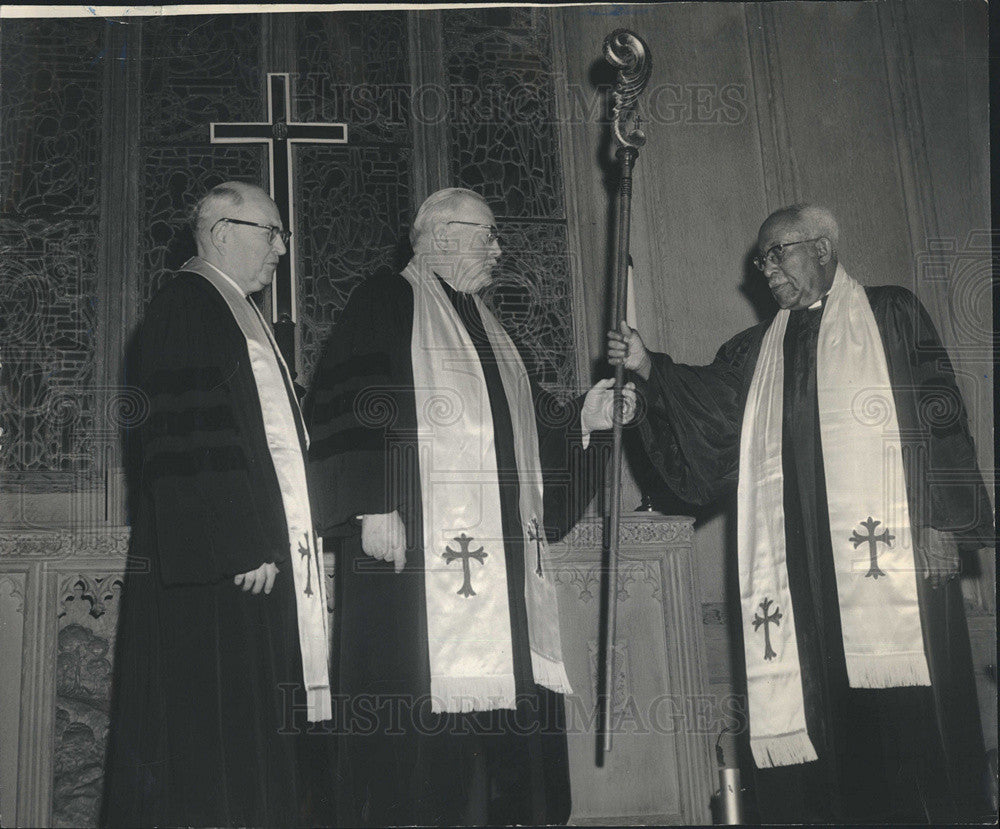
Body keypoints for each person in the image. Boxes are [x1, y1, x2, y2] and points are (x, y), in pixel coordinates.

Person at [608, 204, 993, 823]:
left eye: (776, 253)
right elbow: (712, 421)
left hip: (891, 560)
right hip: (799, 570)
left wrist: (942, 524)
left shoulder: (890, 314)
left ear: (821, 248)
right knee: (817, 713)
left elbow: (940, 415)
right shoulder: (757, 348)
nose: (765, 270)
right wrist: (650, 367)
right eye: (761, 260)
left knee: (908, 719)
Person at [305, 187, 634, 826]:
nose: (498, 250)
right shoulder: (384, 300)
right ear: (444, 234)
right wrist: (370, 506)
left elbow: (529, 440)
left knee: (507, 740)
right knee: (418, 730)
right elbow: (349, 404)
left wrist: (583, 424)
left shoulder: (490, 328)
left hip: (503, 578)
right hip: (415, 564)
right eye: (488, 236)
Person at [102, 182, 333, 827]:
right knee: (214, 728)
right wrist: (240, 540)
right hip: (221, 568)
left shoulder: (236, 311)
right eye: (271, 232)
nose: (282, 248)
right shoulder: (186, 304)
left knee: (249, 725)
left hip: (248, 564)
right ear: (221, 230)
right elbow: (184, 439)